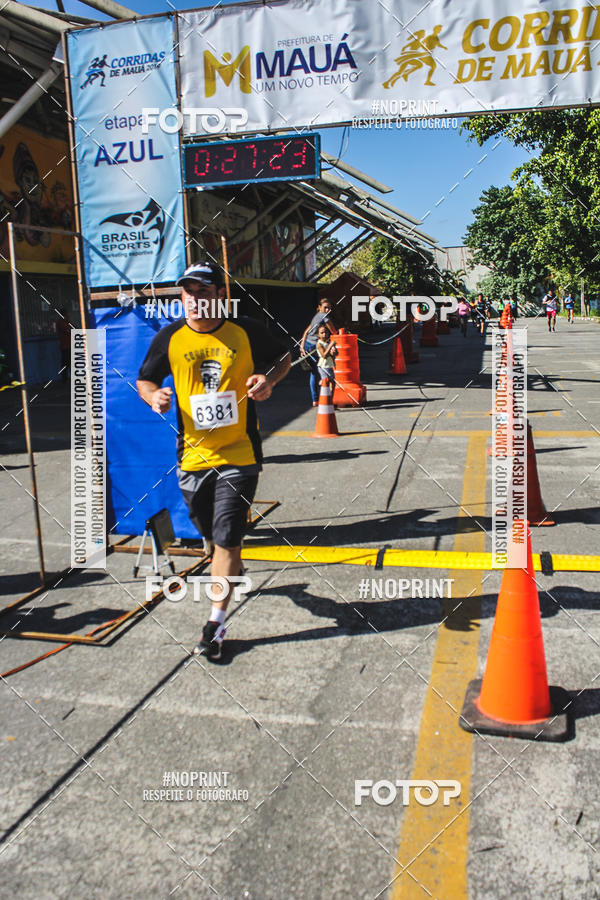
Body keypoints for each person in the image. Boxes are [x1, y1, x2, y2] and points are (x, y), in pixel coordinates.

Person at [136, 262, 291, 660]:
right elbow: (145, 379)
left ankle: (215, 624)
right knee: (210, 538)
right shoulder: (170, 338)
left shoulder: (247, 330)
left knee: (227, 538)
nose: (194, 300)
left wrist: (268, 380)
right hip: (192, 458)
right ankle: (227, 565)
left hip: (240, 455)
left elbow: (283, 357)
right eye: (187, 293)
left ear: (220, 295)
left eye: (203, 292)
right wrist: (154, 397)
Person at [300, 298, 337, 406]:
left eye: (329, 308)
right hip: (314, 347)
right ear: (319, 307)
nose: (327, 310)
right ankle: (324, 397)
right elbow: (333, 331)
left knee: (314, 373)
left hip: (307, 345)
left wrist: (302, 345)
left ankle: (315, 399)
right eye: (325, 307)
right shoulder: (323, 316)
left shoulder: (316, 317)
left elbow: (306, 332)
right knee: (323, 369)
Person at [315, 323, 337, 391]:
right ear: (318, 335)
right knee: (326, 381)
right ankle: (322, 384)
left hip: (330, 365)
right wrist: (330, 346)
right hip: (323, 366)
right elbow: (324, 355)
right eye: (322, 333)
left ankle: (330, 397)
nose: (324, 334)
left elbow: (332, 354)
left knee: (332, 382)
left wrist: (334, 352)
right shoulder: (319, 344)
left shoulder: (327, 342)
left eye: (326, 332)